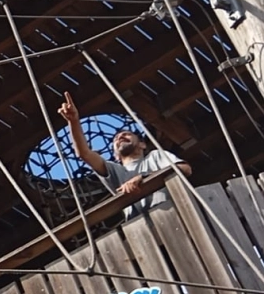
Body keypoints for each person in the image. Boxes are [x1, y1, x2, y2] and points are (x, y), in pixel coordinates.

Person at [58, 92, 190, 215]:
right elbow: (84, 154)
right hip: (140, 229)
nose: (120, 137)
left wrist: (142, 178)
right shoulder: (114, 171)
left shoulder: (155, 157)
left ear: (142, 145)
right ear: (115, 155)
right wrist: (73, 121)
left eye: (126, 135)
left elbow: (185, 168)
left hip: (173, 214)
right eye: (116, 139)